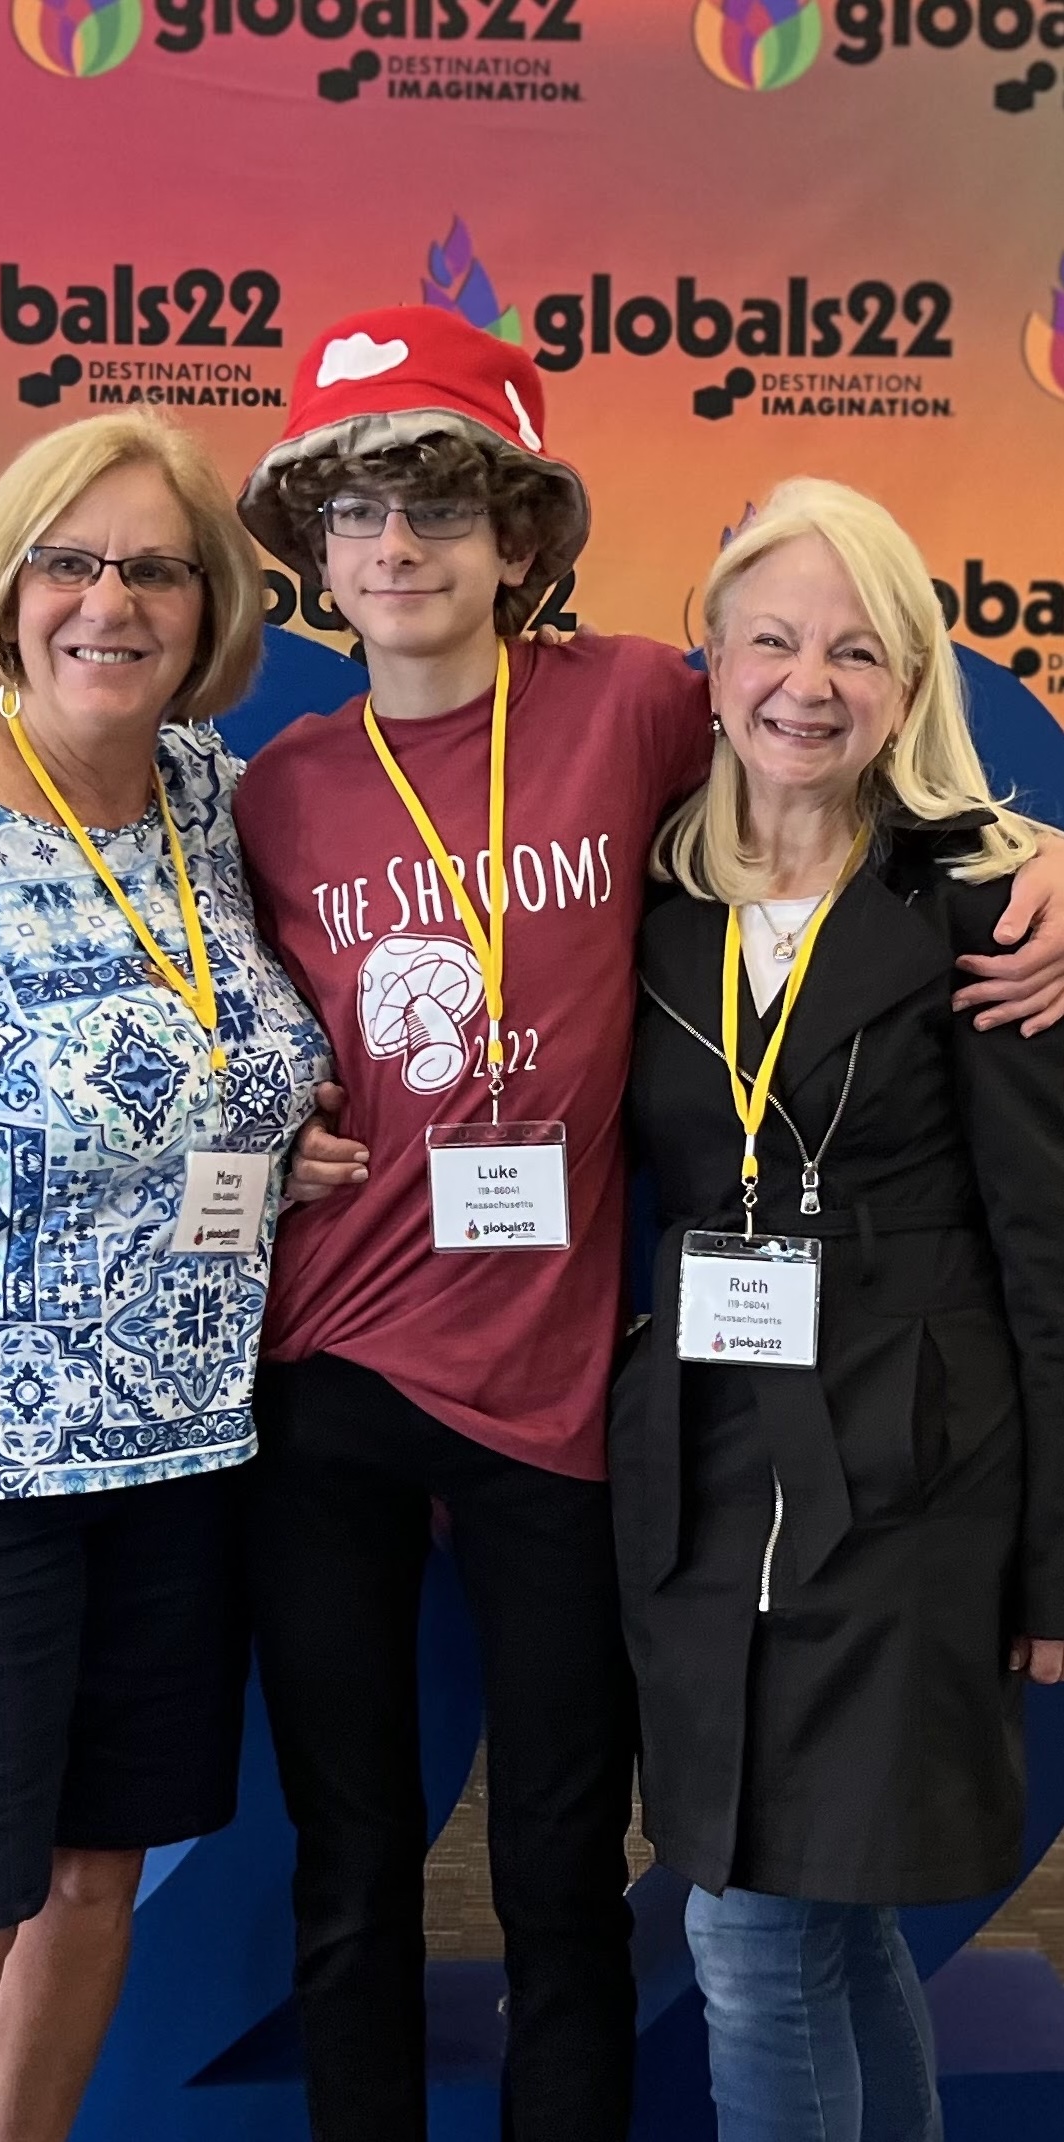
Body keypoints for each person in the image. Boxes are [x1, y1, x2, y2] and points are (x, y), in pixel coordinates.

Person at [232, 306, 1064, 2142]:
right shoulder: (273, 791)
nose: (397, 547)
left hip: (576, 1397)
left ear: (523, 537)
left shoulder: (633, 703)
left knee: (573, 1868)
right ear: (311, 552)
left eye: (443, 506)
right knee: (352, 1856)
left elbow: (856, 733)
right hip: (342, 1366)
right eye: (355, 512)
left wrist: (1050, 858)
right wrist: (264, 1140)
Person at [0, 411, 327, 2142]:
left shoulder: (207, 794)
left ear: (211, 605)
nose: (112, 601)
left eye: (157, 568)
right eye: (70, 562)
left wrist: (278, 1145)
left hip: (181, 1466)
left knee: (96, 1881)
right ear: (5, 586)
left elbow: (195, 1068)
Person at [609, 476, 1064, 2142]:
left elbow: (1050, 1252)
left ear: (911, 683)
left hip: (908, 1479)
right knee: (822, 1913)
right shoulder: (647, 895)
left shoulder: (990, 906)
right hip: (703, 1473)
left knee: (752, 1928)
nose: (809, 683)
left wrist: (1057, 1560)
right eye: (775, 642)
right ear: (712, 661)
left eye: (857, 651)